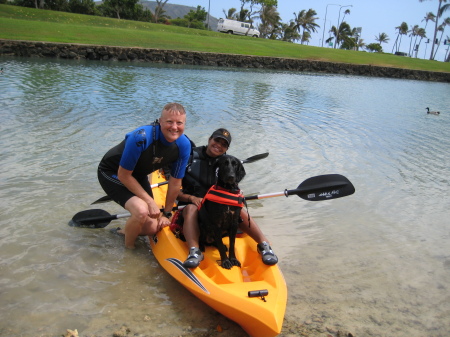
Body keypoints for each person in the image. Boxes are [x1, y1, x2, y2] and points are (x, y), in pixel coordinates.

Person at [177, 128, 278, 268]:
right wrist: (191, 198)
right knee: (191, 209)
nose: (218, 145)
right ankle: (194, 251)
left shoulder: (228, 164)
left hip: (216, 206)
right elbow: (174, 191)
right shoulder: (190, 157)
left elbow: (233, 189)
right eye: (216, 140)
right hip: (191, 204)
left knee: (238, 208)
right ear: (209, 139)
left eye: (223, 144)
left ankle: (264, 245)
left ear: (227, 149)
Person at [98, 103, 191, 249]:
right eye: (169, 122)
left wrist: (166, 213)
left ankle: (122, 232)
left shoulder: (184, 145)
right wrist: (149, 202)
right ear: (160, 121)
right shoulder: (141, 137)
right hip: (112, 172)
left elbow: (175, 182)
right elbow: (123, 175)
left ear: (184, 124)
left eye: (179, 123)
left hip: (138, 175)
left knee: (153, 227)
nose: (174, 127)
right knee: (142, 210)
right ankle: (129, 250)